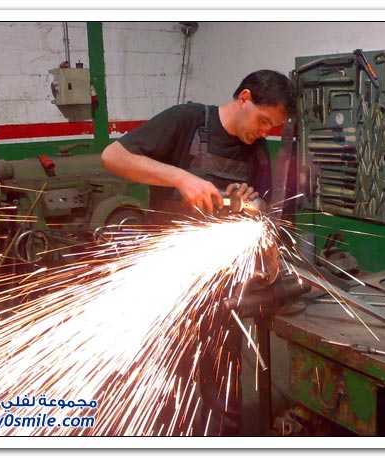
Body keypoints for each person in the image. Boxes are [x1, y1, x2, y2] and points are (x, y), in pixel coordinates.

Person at [101, 69, 297, 436]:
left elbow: (263, 216)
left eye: (272, 127)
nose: (264, 132)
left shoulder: (256, 151)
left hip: (220, 289)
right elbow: (113, 156)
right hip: (165, 281)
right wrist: (181, 178)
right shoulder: (187, 121)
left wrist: (247, 203)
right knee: (163, 381)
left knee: (222, 385)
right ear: (244, 99)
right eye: (263, 120)